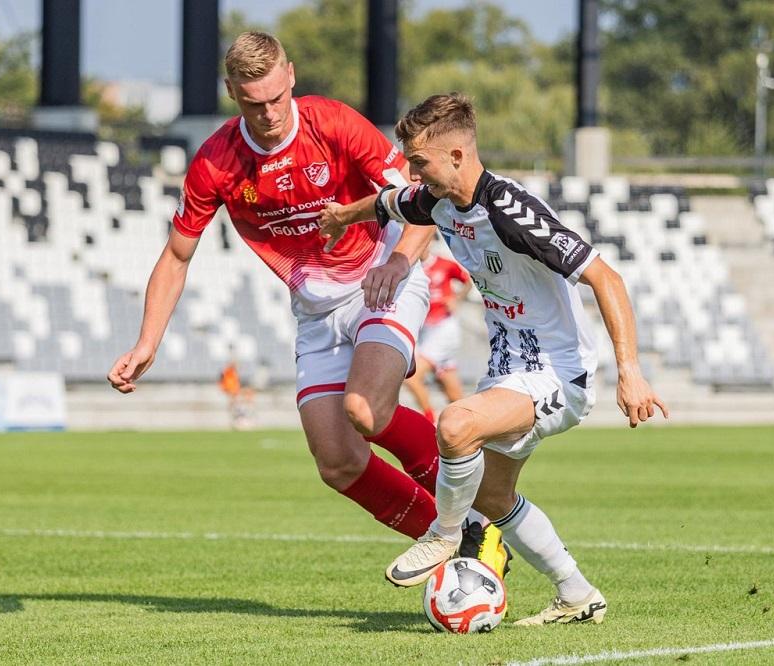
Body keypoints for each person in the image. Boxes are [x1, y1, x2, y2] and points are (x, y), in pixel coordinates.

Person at [106, 33, 504, 569]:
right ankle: (463, 542)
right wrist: (146, 341)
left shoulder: (334, 123)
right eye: (253, 103)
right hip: (315, 310)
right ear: (231, 92)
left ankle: (479, 511)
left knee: (365, 409)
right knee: (337, 461)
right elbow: (177, 256)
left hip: (382, 281)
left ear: (290, 75)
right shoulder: (216, 163)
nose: (269, 113)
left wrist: (398, 261)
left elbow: (421, 198)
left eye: (276, 97)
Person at [322, 93, 668, 625]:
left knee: (456, 423)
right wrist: (344, 215)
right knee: (495, 494)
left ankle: (443, 535)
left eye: (421, 161)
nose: (414, 172)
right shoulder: (437, 200)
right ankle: (576, 593)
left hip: (558, 371)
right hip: (508, 369)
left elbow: (606, 277)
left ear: (458, 155)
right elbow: (391, 202)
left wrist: (632, 372)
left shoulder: (512, 211)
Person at [404, 245, 470, 423]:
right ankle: (475, 424)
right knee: (454, 395)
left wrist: (457, 299)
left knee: (411, 377)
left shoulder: (445, 264)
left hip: (444, 328)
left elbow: (468, 279)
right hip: (425, 330)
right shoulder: (409, 269)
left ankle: (429, 421)